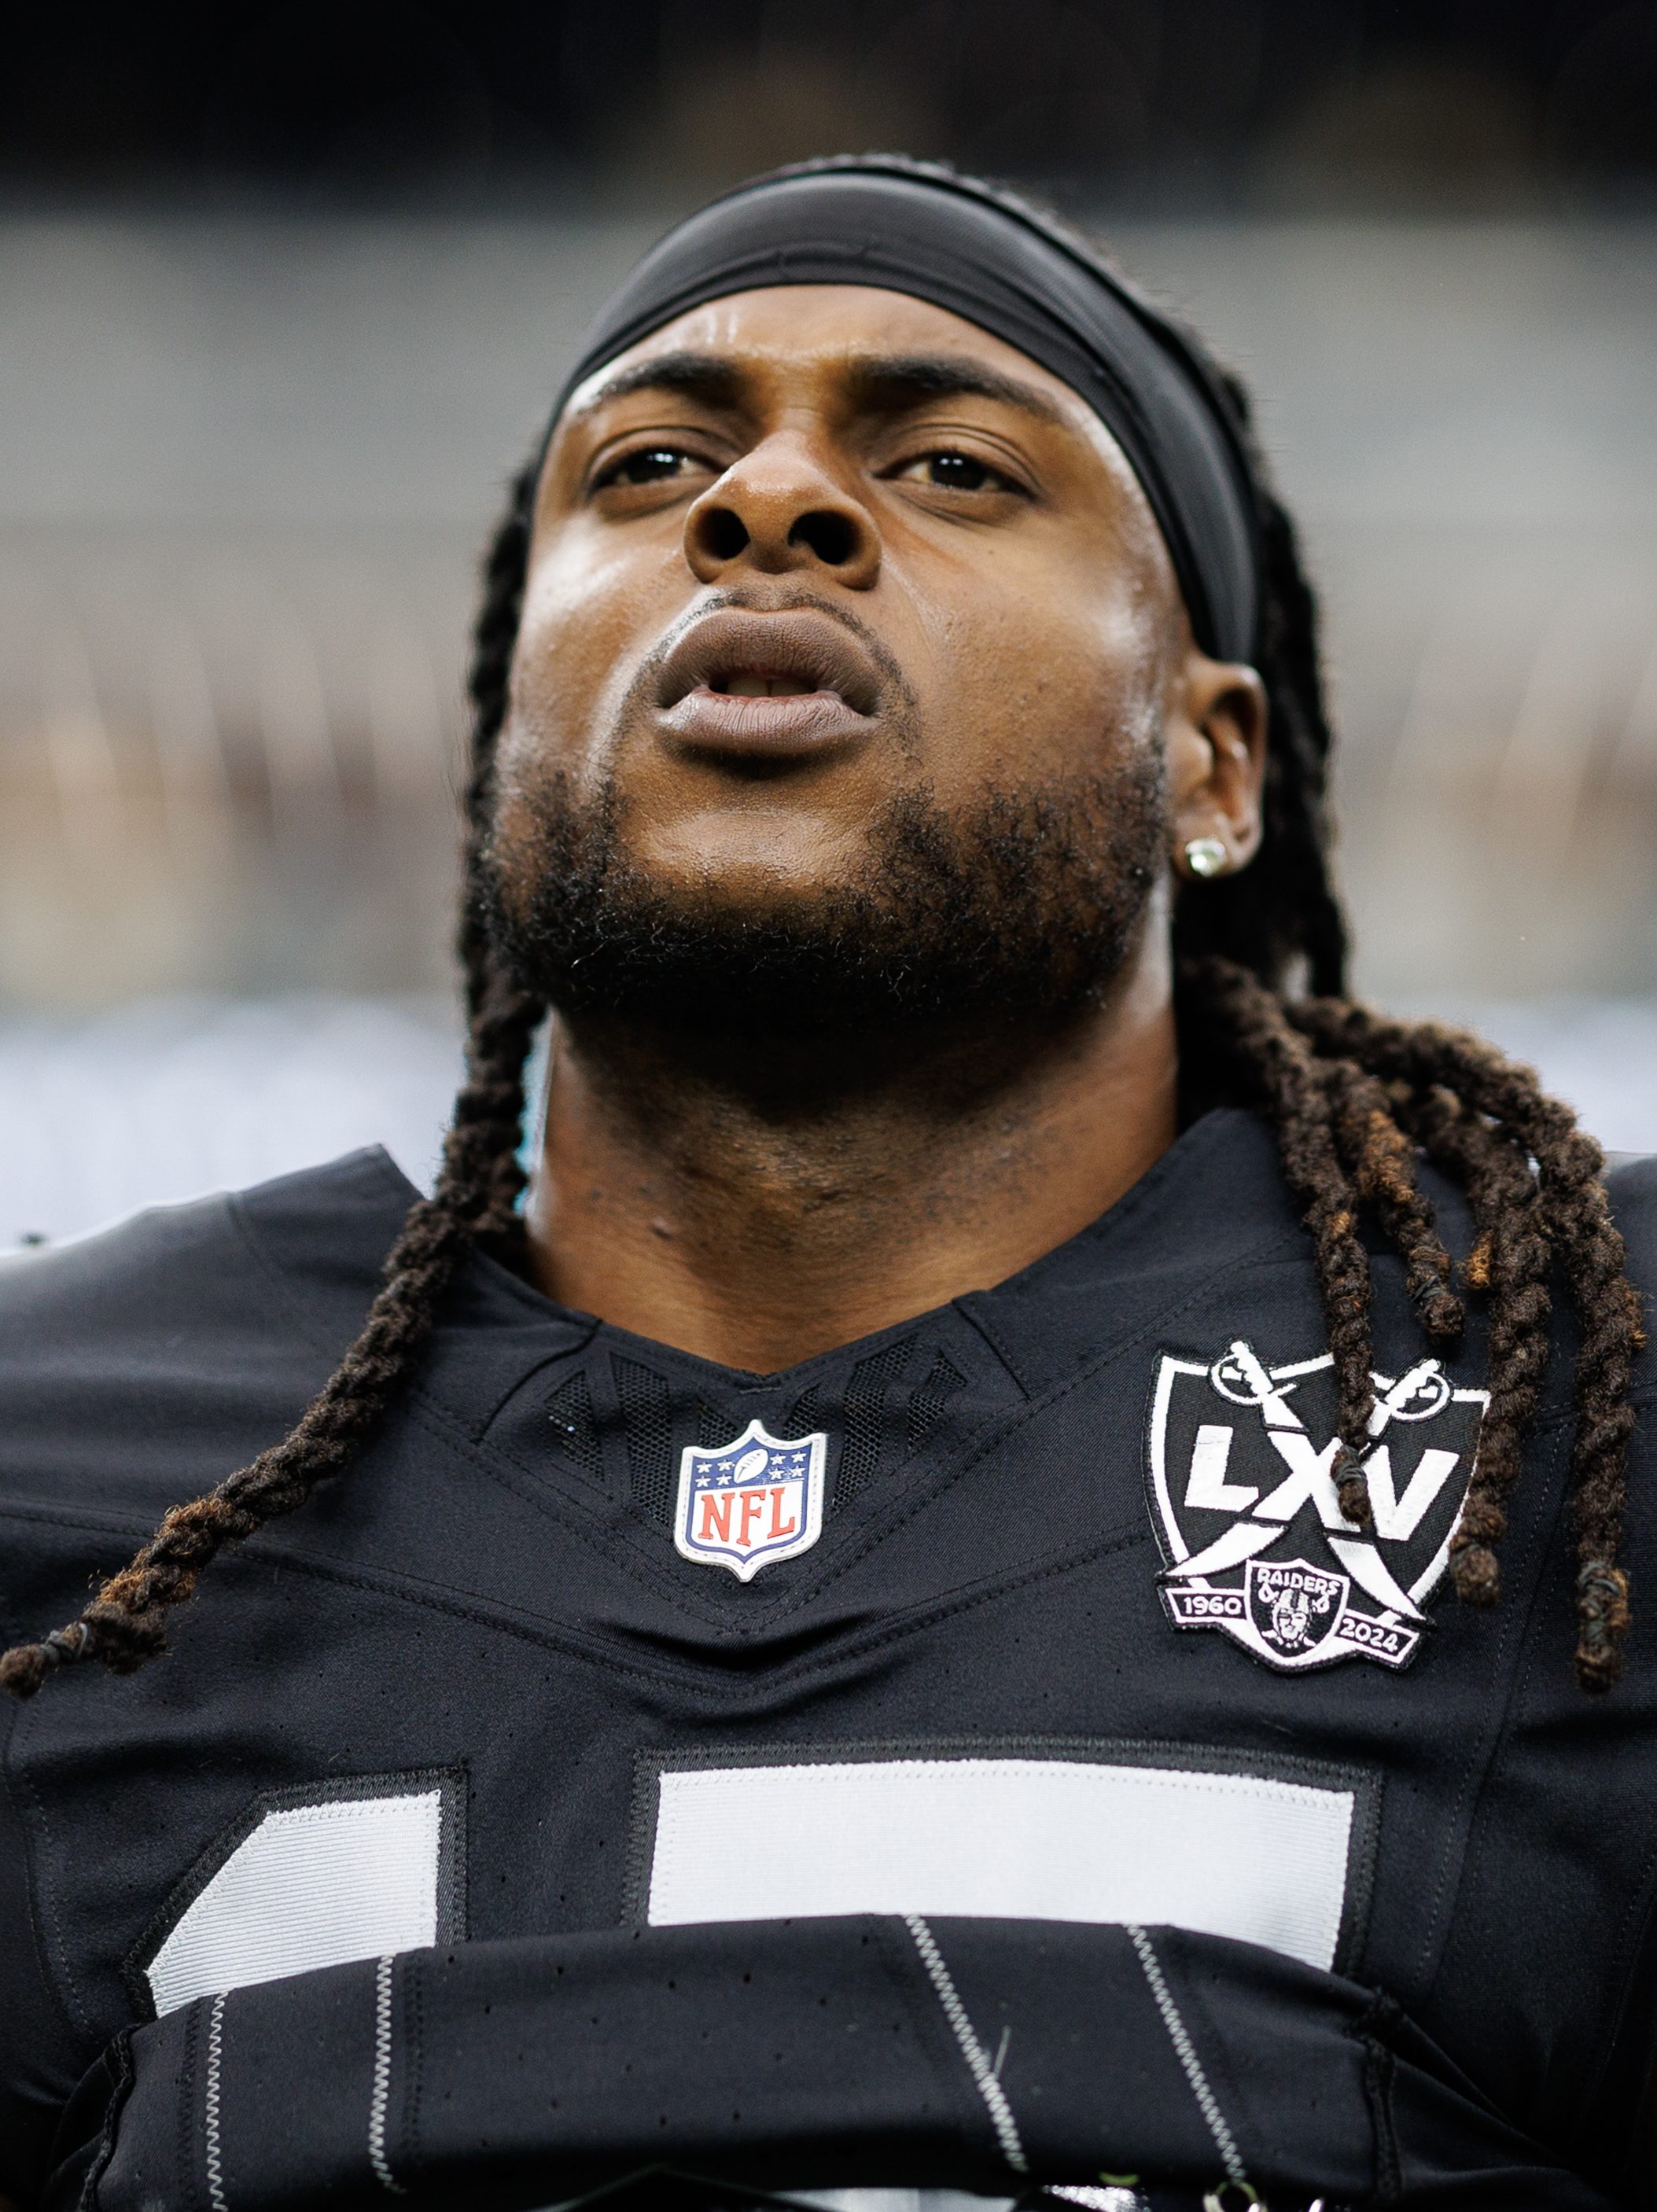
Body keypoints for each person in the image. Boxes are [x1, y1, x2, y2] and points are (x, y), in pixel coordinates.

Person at [1, 156, 1652, 2212]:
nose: (758, 505)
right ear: (505, 730)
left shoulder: (1579, 1404)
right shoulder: (61, 1467)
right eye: (648, 465)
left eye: (953, 466)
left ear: (1212, 764)